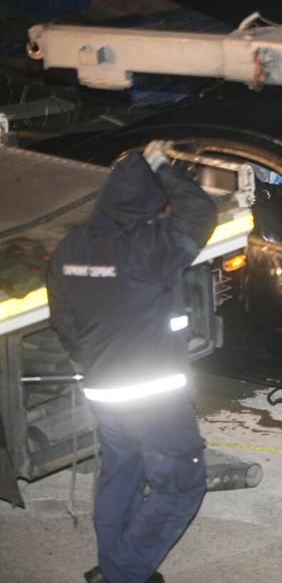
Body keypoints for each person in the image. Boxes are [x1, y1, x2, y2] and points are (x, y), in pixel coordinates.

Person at [47, 142, 217, 583]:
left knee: (120, 475)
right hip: (153, 397)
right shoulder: (148, 248)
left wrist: (90, 360)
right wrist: (164, 167)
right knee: (180, 486)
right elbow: (199, 213)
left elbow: (62, 320)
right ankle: (124, 574)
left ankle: (111, 565)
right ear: (147, 200)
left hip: (103, 391)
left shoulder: (70, 248)